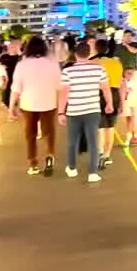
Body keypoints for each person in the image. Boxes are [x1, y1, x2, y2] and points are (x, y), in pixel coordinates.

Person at [58, 42, 111, 183]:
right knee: (93, 142)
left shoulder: (67, 72)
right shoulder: (99, 69)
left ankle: (72, 168)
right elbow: (105, 88)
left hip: (74, 110)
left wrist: (60, 112)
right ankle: (93, 173)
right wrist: (109, 104)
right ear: (89, 54)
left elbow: (64, 93)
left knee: (72, 141)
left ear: (75, 54)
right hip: (93, 110)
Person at [9, 36, 62, 176]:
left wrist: (11, 108)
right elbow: (59, 85)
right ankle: (50, 155)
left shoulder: (22, 64)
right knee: (49, 132)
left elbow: (16, 88)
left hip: (28, 103)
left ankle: (33, 163)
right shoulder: (53, 63)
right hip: (49, 102)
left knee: (30, 135)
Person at [89, 40, 123, 169]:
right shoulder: (116, 63)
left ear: (96, 50)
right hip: (114, 94)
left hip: (98, 94)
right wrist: (121, 103)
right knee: (110, 127)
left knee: (99, 128)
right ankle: (107, 155)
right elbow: (120, 83)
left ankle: (99, 154)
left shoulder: (92, 63)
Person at [117, 30, 137, 146]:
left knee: (133, 110)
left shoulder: (135, 45)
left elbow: (135, 51)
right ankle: (131, 135)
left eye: (129, 36)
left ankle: (132, 134)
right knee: (129, 110)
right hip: (123, 78)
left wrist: (126, 44)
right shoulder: (118, 48)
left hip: (133, 76)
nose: (127, 38)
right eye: (125, 36)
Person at [0, 38, 21, 108]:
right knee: (6, 98)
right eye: (10, 45)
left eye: (13, 46)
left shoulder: (20, 57)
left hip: (17, 80)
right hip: (6, 80)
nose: (10, 47)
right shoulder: (3, 57)